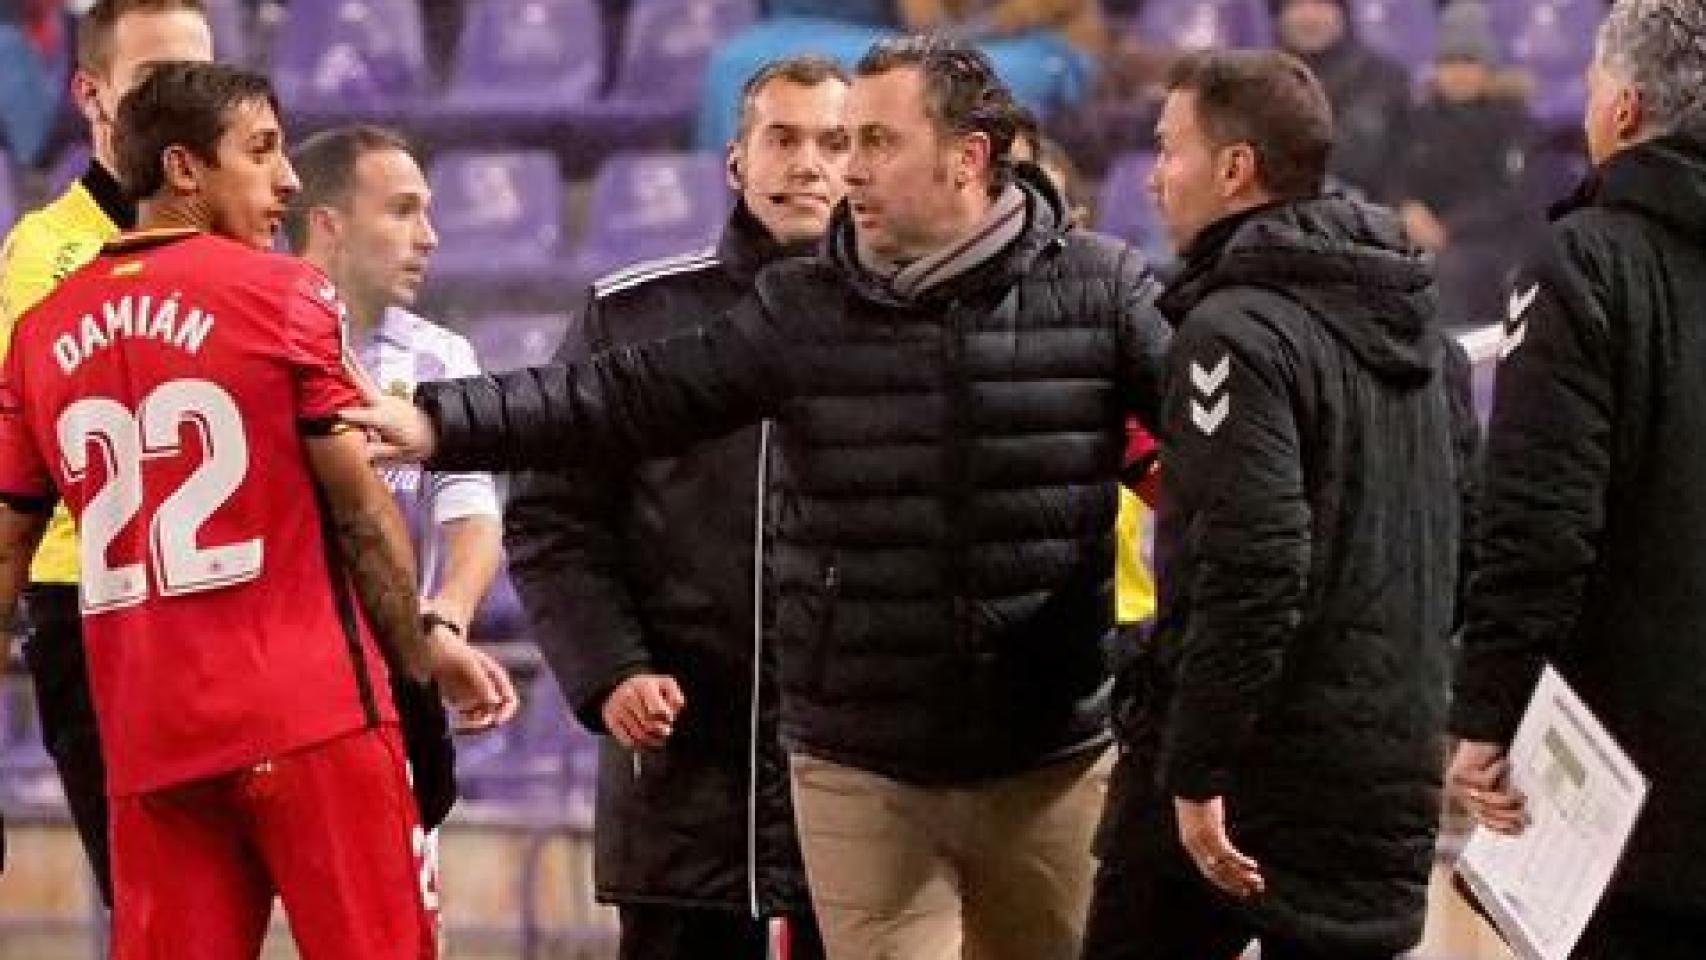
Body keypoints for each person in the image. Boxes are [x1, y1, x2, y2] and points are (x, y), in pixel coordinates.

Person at [348, 35, 1172, 960]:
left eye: (867, 142)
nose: (837, 168)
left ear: (967, 158)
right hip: (850, 768)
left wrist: (1148, 671)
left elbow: (1215, 470)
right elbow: (610, 405)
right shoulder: (795, 311)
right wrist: (440, 420)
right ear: (735, 158)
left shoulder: (1102, 292)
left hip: (1044, 755)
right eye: (802, 140)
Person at [0, 62, 516, 958]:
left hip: (148, 746)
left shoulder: (40, 335)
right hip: (314, 722)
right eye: (263, 151)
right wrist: (420, 659)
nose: (285, 181)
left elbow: (5, 553)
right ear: (183, 170)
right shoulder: (286, 294)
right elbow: (359, 516)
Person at [1082, 49, 1475, 960]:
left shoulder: (1233, 336)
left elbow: (1250, 565)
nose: (1154, 175)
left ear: (1235, 169)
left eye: (1168, 148)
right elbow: (1465, 551)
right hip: (1388, 771)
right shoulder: (1429, 336)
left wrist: (1196, 768)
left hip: (1250, 776)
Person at [503, 56, 846, 960]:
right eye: (784, 137)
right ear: (737, 160)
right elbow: (551, 521)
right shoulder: (631, 316)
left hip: (867, 797)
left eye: (834, 142)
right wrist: (611, 670)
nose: (807, 163)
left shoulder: (914, 325)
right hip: (681, 788)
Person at [1449, 1, 1706, 953]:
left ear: (1627, 109)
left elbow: (1540, 521)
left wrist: (1489, 713)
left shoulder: (1582, 263)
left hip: (1634, 788)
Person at [0, 0, 212, 904]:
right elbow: (34, 433)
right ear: (91, 95)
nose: (186, 102)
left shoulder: (235, 232)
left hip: (219, 595)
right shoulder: (44, 252)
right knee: (148, 896)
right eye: (159, 81)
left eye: (200, 79)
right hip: (88, 604)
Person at [286, 123, 506, 886]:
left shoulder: (441, 358)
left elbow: (474, 515)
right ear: (329, 224)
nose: (430, 237)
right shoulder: (257, 341)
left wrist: (443, 618)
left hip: (390, 688)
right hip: (276, 686)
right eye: (404, 211)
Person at [694, 0, 1103, 151]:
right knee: (738, 59)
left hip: (1036, 40)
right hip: (925, 33)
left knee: (949, 71)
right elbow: (922, 17)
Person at [1396, 0, 1533, 327]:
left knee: (1451, 271)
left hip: (1489, 242)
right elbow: (1397, 176)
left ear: (1488, 67)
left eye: (1469, 61)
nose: (1458, 72)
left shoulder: (1513, 122)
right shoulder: (1419, 118)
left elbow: (1511, 197)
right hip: (1423, 238)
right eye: (1448, 62)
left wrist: (1450, 228)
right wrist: (1406, 207)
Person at [1272, 0, 1413, 202]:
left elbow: (1404, 159)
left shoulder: (1384, 77)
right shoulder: (1256, 80)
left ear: (1342, 12)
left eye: (1320, 4)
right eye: (1298, 4)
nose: (1310, 17)